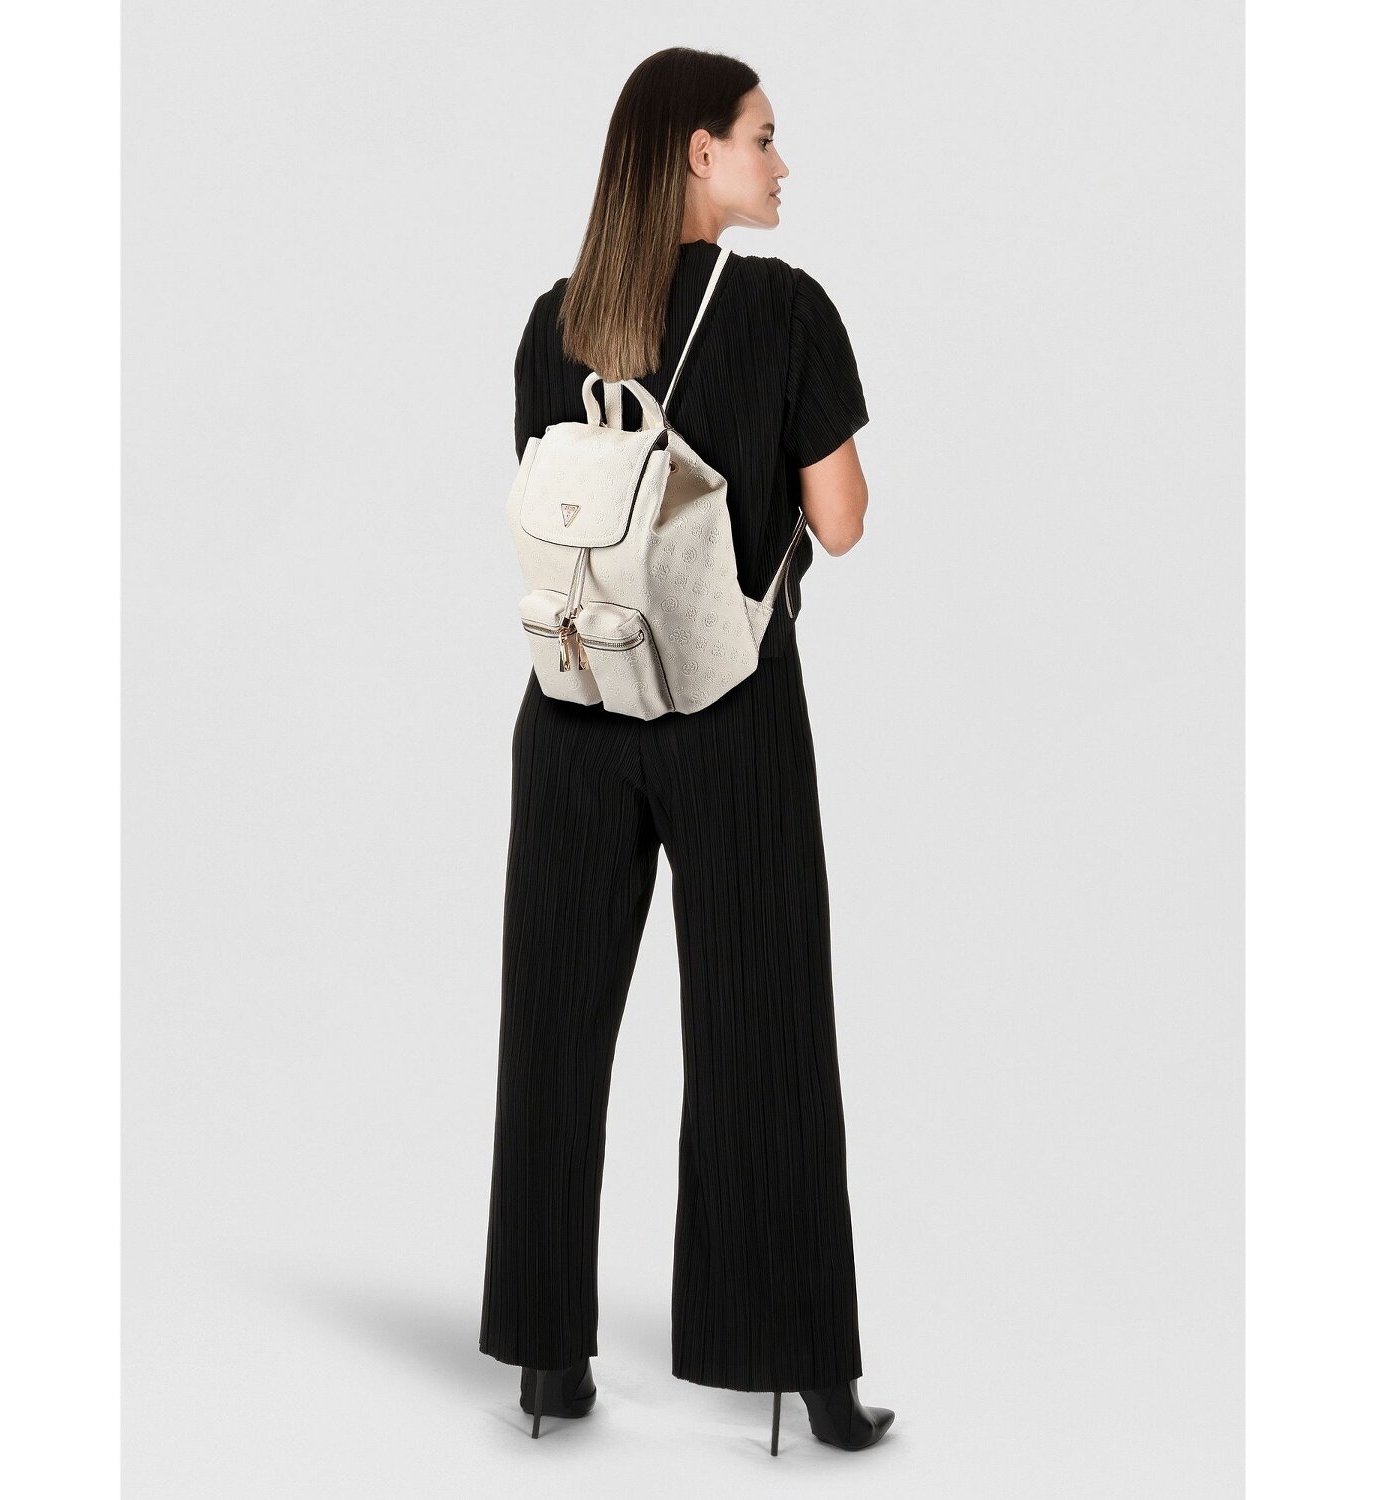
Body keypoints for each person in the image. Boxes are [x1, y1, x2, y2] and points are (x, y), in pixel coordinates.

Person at [479, 46, 895, 1456]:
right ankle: (802, 1376)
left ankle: (547, 1362)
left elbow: (547, 506)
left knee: (553, 1029)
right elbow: (841, 522)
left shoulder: (553, 320)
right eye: (763, 137)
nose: (782, 162)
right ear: (698, 154)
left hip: (572, 711)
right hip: (733, 716)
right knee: (761, 1030)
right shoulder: (783, 309)